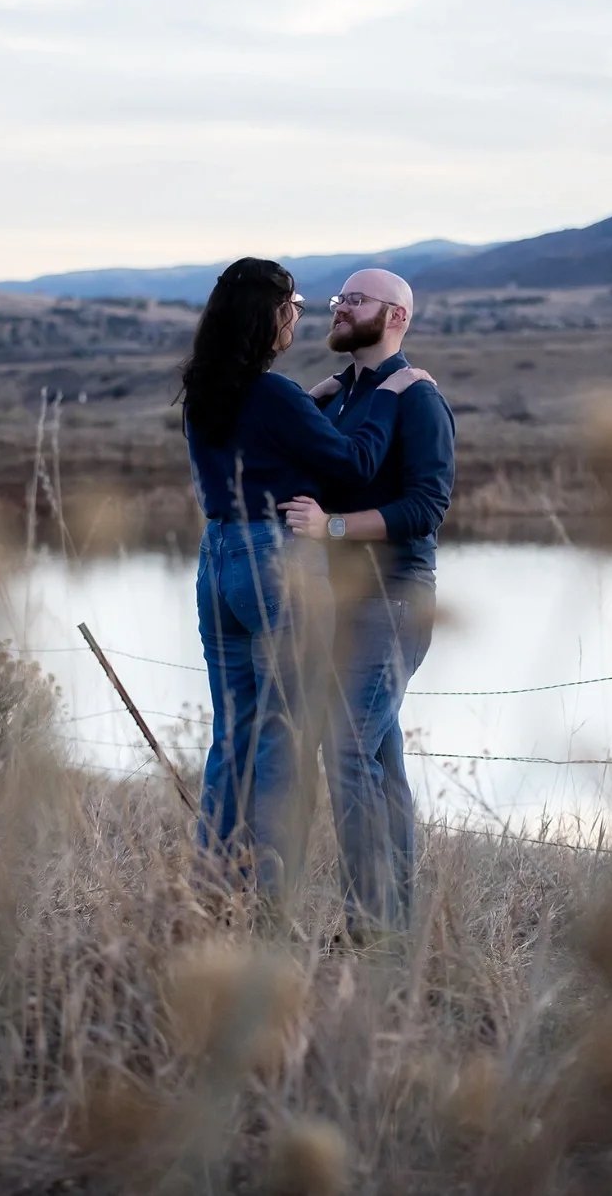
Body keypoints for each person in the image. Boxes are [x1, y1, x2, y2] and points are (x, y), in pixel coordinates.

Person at [179, 257, 431, 911]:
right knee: (282, 738)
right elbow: (356, 460)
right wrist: (387, 391)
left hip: (216, 560)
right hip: (271, 561)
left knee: (232, 730)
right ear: (266, 317)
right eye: (289, 305)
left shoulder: (205, 389)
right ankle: (269, 904)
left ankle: (212, 891)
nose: (301, 314)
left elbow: (258, 444)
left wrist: (313, 400)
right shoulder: (276, 396)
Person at [281, 268, 455, 945]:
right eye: (338, 300)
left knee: (347, 750)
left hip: (396, 595)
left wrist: (331, 528)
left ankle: (367, 928)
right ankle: (395, 927)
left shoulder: (418, 401)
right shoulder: (340, 397)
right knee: (377, 762)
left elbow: (425, 508)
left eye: (356, 299)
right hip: (341, 598)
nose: (341, 307)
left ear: (397, 316)